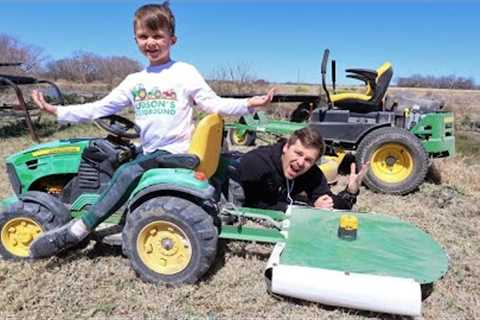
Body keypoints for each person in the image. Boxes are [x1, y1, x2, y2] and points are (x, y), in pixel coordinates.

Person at [29, 2, 275, 258]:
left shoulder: (184, 72)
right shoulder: (134, 81)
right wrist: (57, 111)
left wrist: (248, 104)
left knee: (128, 170)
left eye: (158, 36)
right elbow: (99, 108)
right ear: (135, 39)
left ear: (172, 39)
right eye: (143, 36)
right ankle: (109, 208)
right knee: (121, 158)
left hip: (177, 152)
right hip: (152, 151)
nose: (151, 42)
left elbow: (213, 103)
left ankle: (80, 229)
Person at [237, 127, 368, 212]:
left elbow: (328, 201)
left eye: (308, 160)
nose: (300, 163)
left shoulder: (312, 172)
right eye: (298, 153)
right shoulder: (257, 163)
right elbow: (255, 204)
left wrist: (350, 193)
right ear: (286, 147)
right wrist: (310, 208)